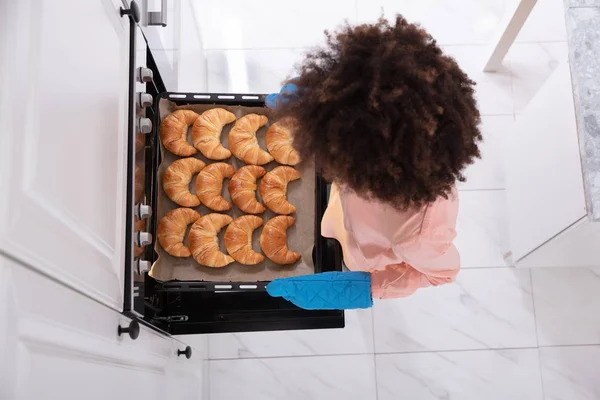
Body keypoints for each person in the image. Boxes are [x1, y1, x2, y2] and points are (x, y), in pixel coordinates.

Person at [265, 15, 482, 309]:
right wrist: (319, 100)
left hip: (365, 250)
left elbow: (441, 274)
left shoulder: (419, 235)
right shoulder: (363, 146)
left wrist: (365, 287)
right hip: (345, 213)